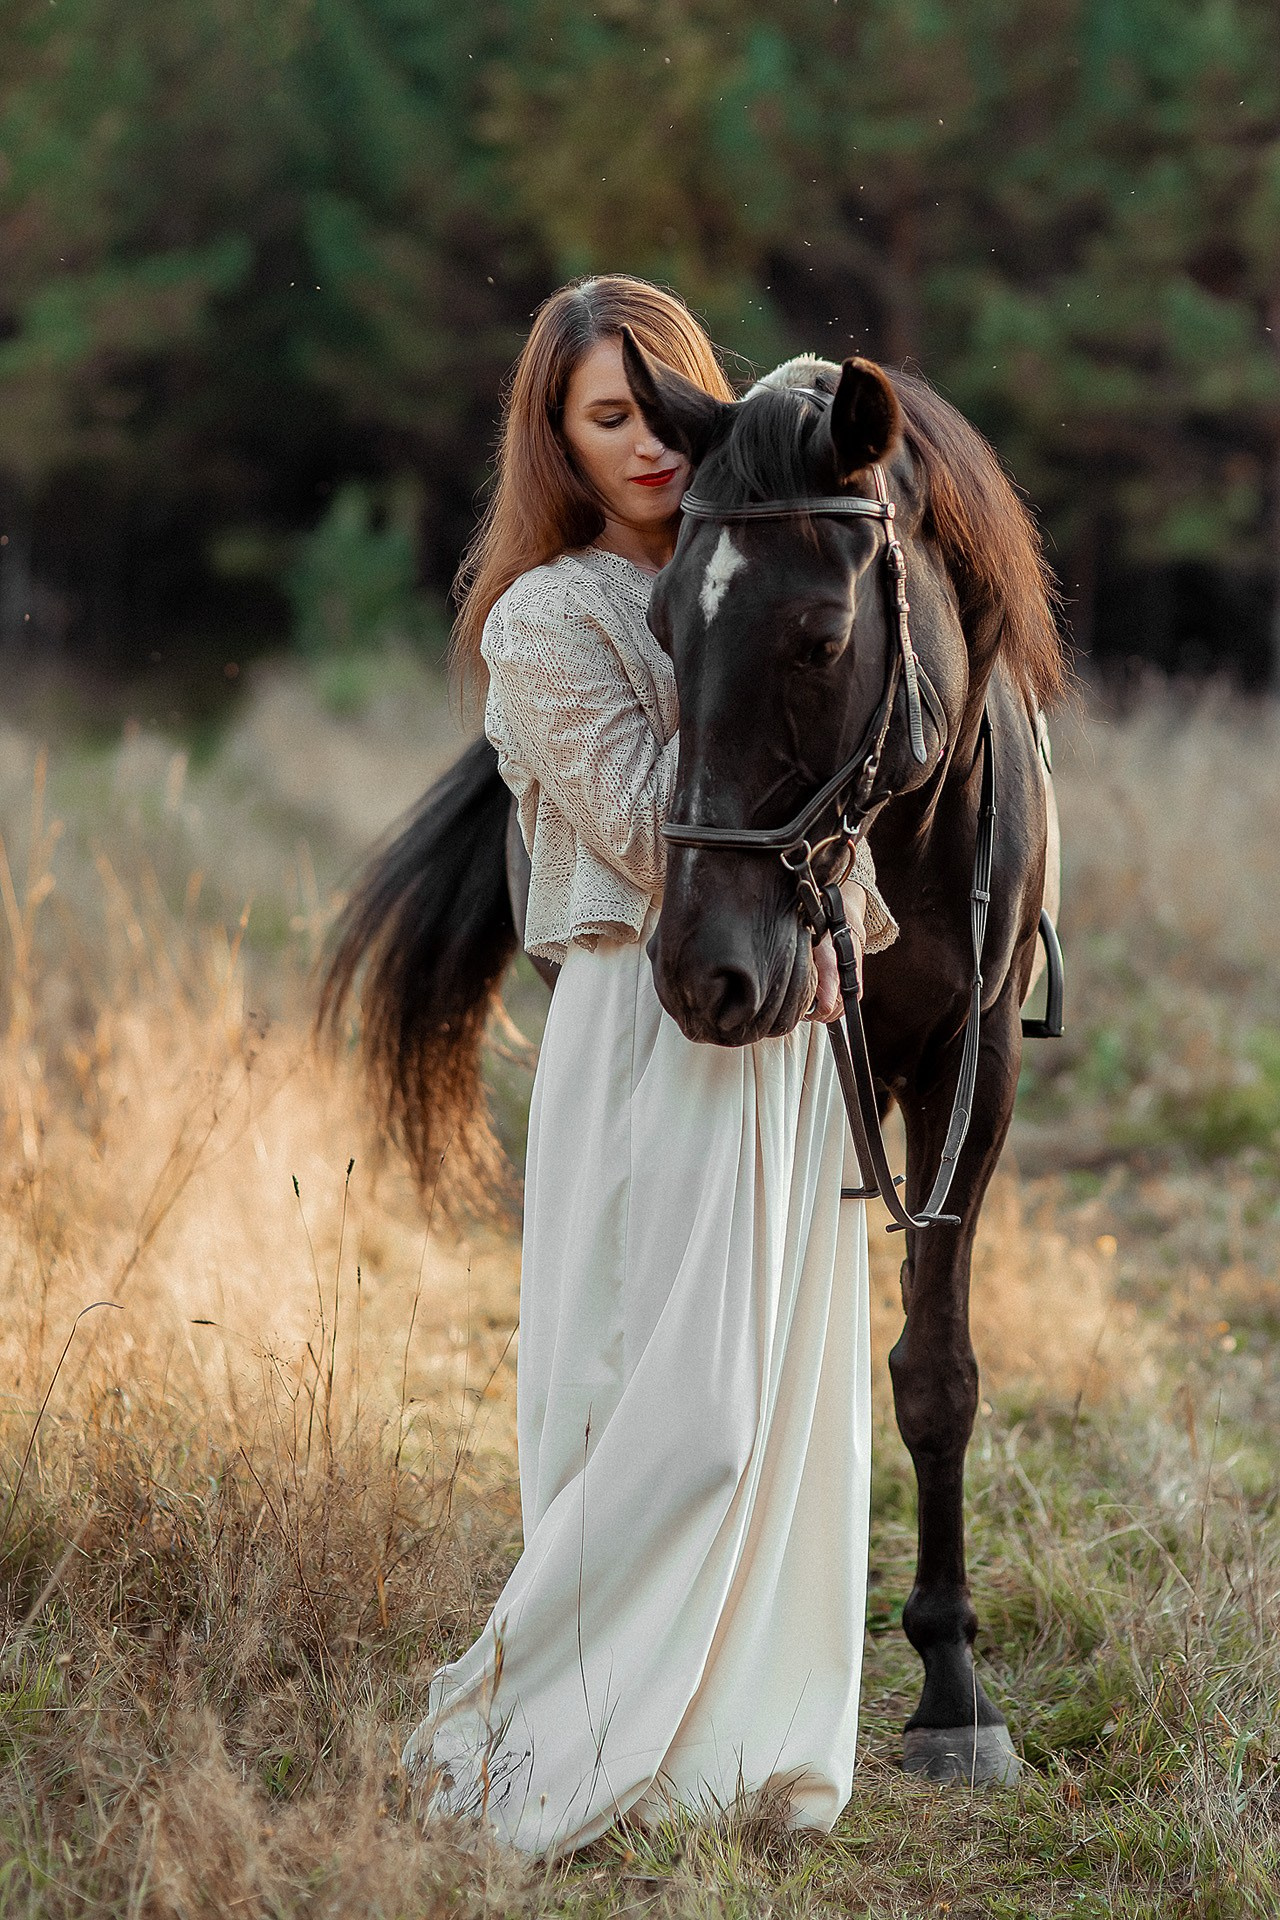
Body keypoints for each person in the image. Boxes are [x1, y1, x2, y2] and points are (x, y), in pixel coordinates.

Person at [401, 274, 898, 1856]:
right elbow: (649, 824)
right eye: (608, 418)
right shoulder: (546, 620)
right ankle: (541, 1729)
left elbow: (848, 820)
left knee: (789, 1414)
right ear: (554, 438)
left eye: (667, 406)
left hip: (789, 1023)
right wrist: (752, 665)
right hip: (649, 1020)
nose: (649, 445)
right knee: (678, 1412)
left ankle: (733, 1755)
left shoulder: (754, 561)